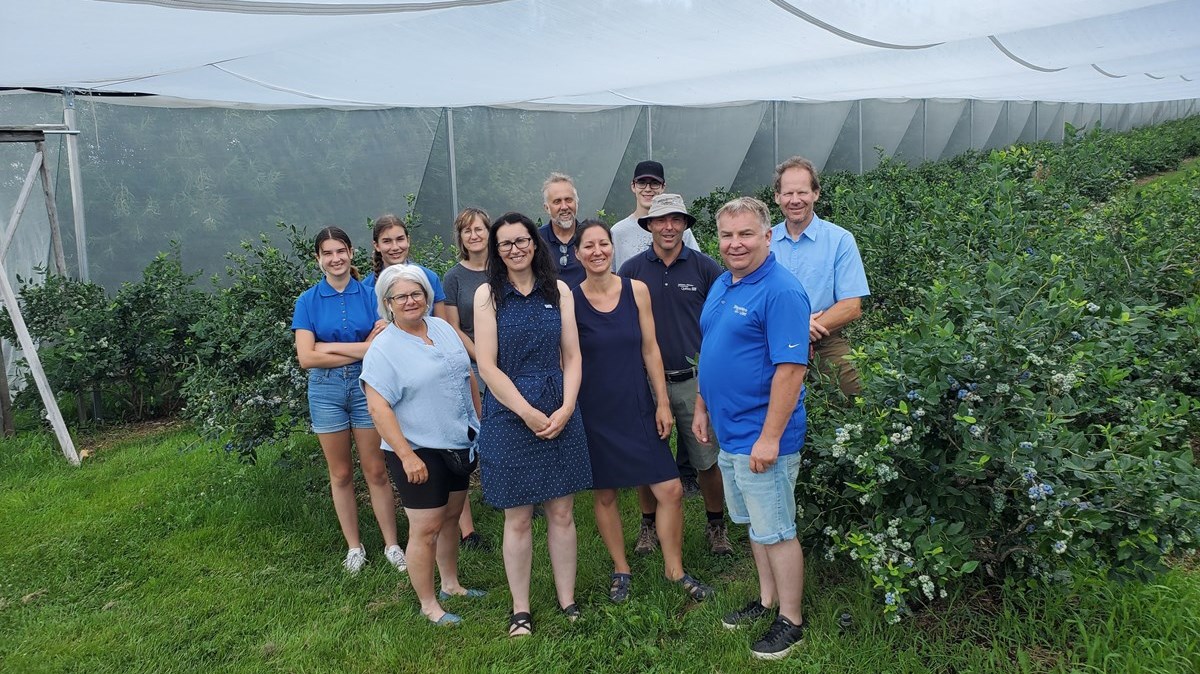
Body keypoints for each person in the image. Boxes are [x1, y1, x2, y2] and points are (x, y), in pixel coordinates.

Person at [693, 197, 811, 661]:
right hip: (731, 433)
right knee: (757, 528)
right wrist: (702, 405)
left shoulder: (781, 290)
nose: (735, 243)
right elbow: (711, 348)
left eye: (746, 234)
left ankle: (792, 620)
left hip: (765, 439)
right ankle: (766, 601)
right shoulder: (724, 283)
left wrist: (769, 437)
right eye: (727, 235)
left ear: (767, 236)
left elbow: (791, 371)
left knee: (777, 530)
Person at [572, 219, 713, 604]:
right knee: (605, 495)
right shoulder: (571, 298)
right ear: (577, 253)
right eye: (589, 246)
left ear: (612, 248)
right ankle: (622, 568)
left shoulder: (637, 290)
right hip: (595, 407)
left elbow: (651, 348)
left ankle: (675, 569)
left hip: (637, 401)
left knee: (669, 489)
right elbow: (567, 356)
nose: (598, 251)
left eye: (603, 243)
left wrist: (662, 402)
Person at [473, 212, 592, 637]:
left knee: (562, 512)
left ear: (534, 244)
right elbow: (487, 366)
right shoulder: (488, 296)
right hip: (510, 412)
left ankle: (568, 599)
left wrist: (567, 406)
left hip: (560, 407)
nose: (515, 249)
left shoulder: (558, 290)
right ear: (497, 251)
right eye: (505, 244)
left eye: (521, 240)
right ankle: (520, 609)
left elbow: (573, 356)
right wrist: (525, 410)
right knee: (518, 516)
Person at [361, 264, 487, 626]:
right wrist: (405, 454)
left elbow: (467, 377)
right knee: (426, 528)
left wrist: (480, 424)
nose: (411, 300)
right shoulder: (384, 348)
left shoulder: (443, 329)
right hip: (417, 450)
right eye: (401, 296)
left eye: (416, 293)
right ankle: (428, 604)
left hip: (457, 442)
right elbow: (377, 405)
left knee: (450, 520)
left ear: (427, 297)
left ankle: (451, 585)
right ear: (388, 303)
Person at [618, 194, 731, 557]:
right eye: (661, 220)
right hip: (645, 381)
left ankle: (717, 526)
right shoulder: (632, 271)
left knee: (706, 458)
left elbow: (723, 320)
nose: (669, 227)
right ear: (649, 225)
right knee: (645, 457)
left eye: (676, 220)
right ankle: (648, 526)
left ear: (684, 225)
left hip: (693, 381)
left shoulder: (705, 268)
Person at [291, 226, 405, 574]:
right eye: (327, 253)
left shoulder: (372, 295)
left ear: (351, 252)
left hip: (366, 386)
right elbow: (306, 359)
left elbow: (382, 346)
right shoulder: (307, 301)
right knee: (340, 474)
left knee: (375, 470)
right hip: (324, 390)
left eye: (340, 251)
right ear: (318, 259)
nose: (335, 259)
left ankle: (392, 545)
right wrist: (360, 349)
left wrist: (327, 346)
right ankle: (354, 547)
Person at [771, 157, 870, 399]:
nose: (795, 200)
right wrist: (793, 330)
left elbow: (851, 306)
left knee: (858, 397)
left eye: (802, 192)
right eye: (788, 193)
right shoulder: (764, 240)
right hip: (771, 340)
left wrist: (804, 330)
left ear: (816, 194)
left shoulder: (840, 240)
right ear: (777, 197)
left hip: (824, 340)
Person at [441, 206, 492, 551]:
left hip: (510, 362)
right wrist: (484, 359)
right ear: (460, 238)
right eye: (466, 231)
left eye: (479, 229)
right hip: (474, 365)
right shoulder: (454, 277)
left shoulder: (504, 269)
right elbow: (453, 328)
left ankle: (518, 494)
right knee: (474, 432)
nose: (474, 235)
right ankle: (467, 525)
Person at [610, 160, 700, 271]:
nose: (648, 189)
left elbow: (696, 266)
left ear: (663, 187)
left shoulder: (680, 231)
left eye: (655, 183)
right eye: (641, 183)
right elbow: (610, 274)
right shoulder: (618, 232)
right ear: (633, 186)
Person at [363, 213, 450, 321]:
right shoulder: (366, 288)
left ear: (408, 240)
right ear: (377, 246)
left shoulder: (429, 277)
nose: (395, 247)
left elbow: (442, 324)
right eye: (387, 241)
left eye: (400, 239)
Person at [538, 172, 587, 287]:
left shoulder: (590, 236)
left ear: (576, 203)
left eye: (569, 200)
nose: (564, 207)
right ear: (547, 208)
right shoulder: (536, 241)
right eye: (557, 201)